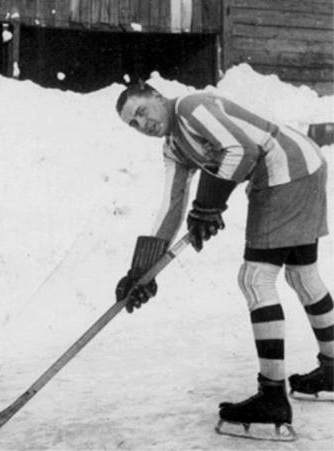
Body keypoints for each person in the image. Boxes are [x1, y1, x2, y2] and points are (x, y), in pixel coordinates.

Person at [114, 81, 334, 437]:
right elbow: (171, 207)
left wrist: (208, 204)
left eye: (141, 111)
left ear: (157, 96)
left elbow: (241, 150)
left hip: (285, 170)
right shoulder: (174, 147)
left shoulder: (191, 107)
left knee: (255, 279)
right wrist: (142, 271)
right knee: (301, 274)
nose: (143, 124)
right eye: (133, 125)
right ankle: (332, 370)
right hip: (304, 164)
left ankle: (272, 399)